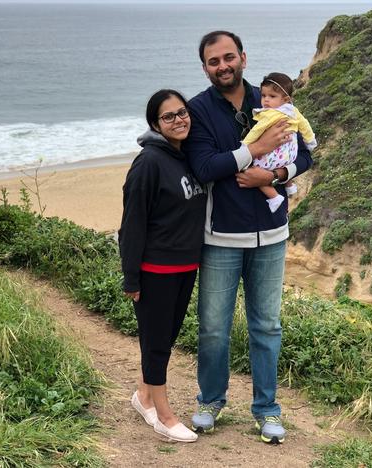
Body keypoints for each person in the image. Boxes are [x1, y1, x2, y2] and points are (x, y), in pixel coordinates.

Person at [182, 31, 313, 444]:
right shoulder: (198, 110)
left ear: (243, 57)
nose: (223, 66)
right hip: (220, 236)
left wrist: (273, 175)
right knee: (214, 328)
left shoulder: (272, 98)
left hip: (273, 236)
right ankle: (211, 401)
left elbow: (304, 154)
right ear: (205, 68)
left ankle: (267, 409)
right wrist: (253, 153)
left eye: (228, 57)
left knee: (267, 327)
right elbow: (204, 166)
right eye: (213, 61)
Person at [119, 89, 206, 443]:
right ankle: (164, 417)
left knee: (166, 339)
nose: (178, 120)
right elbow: (133, 223)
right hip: (156, 269)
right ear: (156, 124)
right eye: (168, 116)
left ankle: (143, 397)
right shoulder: (149, 163)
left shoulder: (186, 156)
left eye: (182, 112)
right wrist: (131, 277)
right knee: (156, 344)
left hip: (186, 266)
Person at [243, 72, 317, 212]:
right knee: (285, 164)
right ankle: (289, 185)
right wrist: (310, 140)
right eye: (263, 95)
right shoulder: (293, 111)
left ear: (285, 99)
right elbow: (304, 125)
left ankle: (274, 197)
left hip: (275, 153)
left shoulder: (270, 114)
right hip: (290, 153)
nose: (265, 101)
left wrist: (245, 145)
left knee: (254, 169)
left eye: (272, 96)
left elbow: (257, 131)